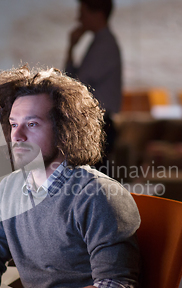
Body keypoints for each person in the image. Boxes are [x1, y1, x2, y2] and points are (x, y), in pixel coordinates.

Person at [0, 66, 141, 288]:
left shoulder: (98, 195)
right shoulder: (10, 188)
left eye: (32, 124)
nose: (17, 135)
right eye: (14, 124)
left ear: (65, 130)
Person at [64, 0, 122, 172]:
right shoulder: (100, 42)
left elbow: (74, 84)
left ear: (98, 14)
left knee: (94, 180)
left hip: (99, 121)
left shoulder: (104, 45)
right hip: (99, 120)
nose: (79, 18)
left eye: (83, 13)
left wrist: (71, 46)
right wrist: (71, 47)